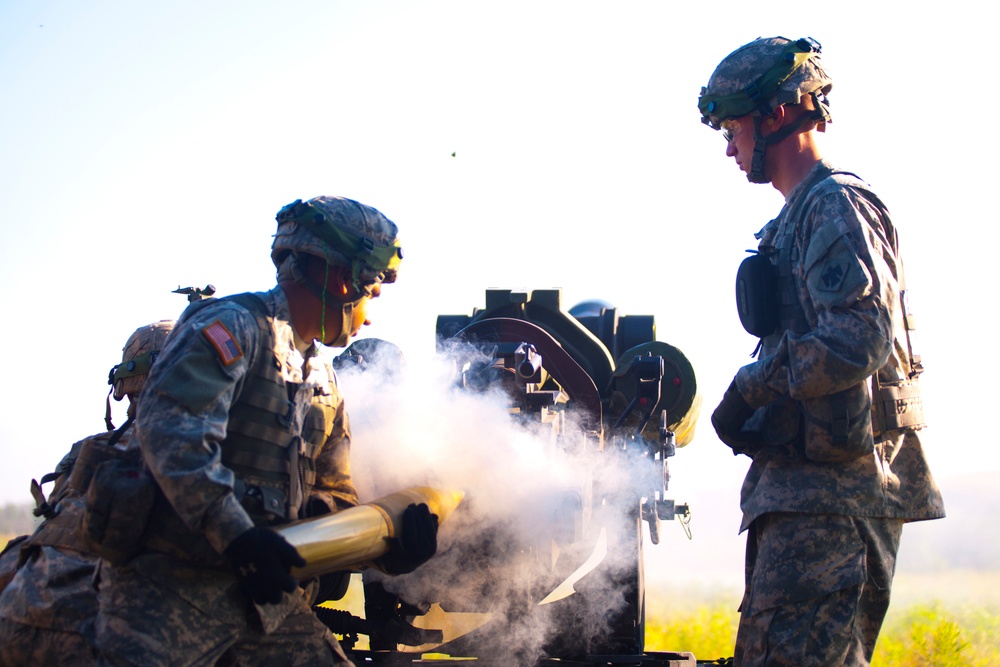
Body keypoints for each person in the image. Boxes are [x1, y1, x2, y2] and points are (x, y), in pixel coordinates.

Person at [91, 196, 437, 667]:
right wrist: (240, 538)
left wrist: (385, 553)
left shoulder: (323, 380)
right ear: (339, 278)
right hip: (169, 594)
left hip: (266, 601)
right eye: (370, 292)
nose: (369, 314)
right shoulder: (233, 327)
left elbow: (334, 497)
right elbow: (173, 437)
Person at [699, 37, 945, 666]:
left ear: (776, 115)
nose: (729, 145)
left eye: (733, 125)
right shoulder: (800, 217)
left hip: (835, 502)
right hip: (810, 496)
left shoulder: (834, 207)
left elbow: (859, 338)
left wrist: (753, 386)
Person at [0, 319, 174, 665]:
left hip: (16, 623)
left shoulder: (86, 451)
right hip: (104, 641)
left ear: (125, 385)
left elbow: (42, 547)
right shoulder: (200, 455)